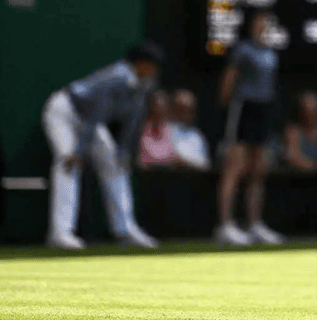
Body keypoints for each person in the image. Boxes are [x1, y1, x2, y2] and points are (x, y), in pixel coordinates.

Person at [41, 42, 164, 249]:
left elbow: (134, 118)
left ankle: (126, 230)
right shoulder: (117, 78)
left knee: (116, 164)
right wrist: (79, 152)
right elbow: (95, 116)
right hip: (64, 112)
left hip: (90, 120)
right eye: (152, 64)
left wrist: (123, 150)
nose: (155, 69)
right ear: (140, 64)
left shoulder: (146, 83)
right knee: (68, 164)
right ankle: (60, 233)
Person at [215, 9, 284, 246]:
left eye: (267, 22)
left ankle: (255, 225)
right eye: (260, 22)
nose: (264, 26)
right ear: (251, 25)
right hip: (243, 108)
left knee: (258, 169)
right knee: (235, 167)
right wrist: (227, 110)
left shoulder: (271, 53)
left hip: (263, 111)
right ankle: (225, 225)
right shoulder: (242, 50)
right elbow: (228, 81)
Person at [169, 89, 211, 170]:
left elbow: (205, 164)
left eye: (190, 110)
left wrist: (185, 163)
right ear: (172, 108)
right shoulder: (164, 130)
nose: (186, 114)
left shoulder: (197, 136)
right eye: (181, 109)